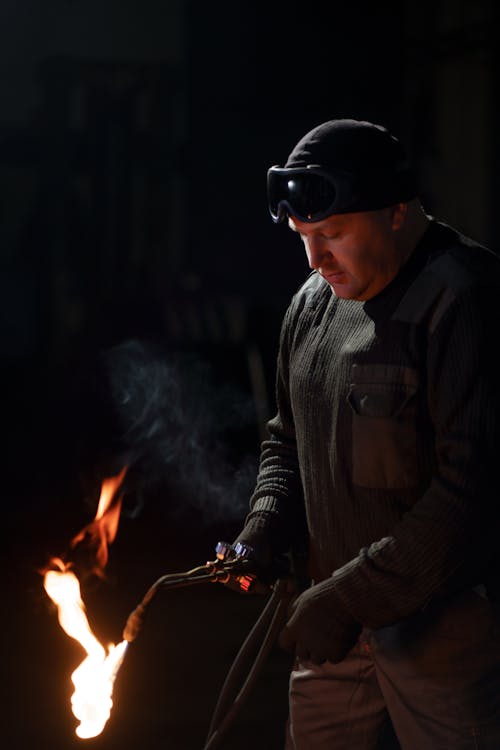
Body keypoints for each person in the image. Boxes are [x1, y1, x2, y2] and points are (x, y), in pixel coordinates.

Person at [227, 118, 500, 749]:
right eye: (302, 238)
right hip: (335, 629)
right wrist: (266, 522)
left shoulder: (464, 300)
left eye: (332, 235)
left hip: (446, 634)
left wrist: (348, 599)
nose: (315, 259)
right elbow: (285, 439)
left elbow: (470, 491)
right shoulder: (313, 304)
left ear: (398, 212)